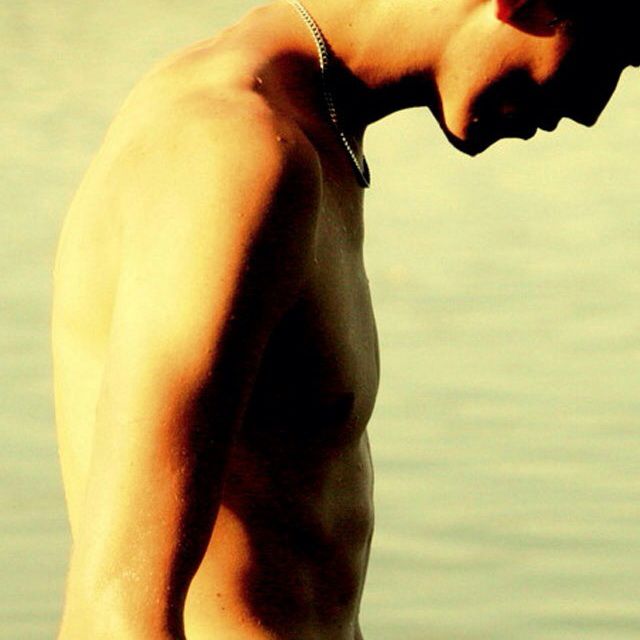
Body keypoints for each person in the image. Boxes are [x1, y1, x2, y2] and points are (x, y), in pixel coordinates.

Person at [52, 1, 638, 638]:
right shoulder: (234, 148)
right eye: (611, 51)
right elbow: (114, 611)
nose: (592, 107)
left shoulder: (304, 131)